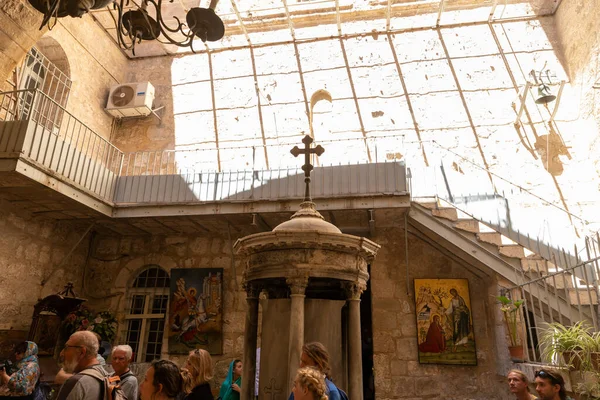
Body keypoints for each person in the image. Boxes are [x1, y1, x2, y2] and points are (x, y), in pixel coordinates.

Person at [55, 331, 109, 400]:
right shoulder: (106, 376)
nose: (61, 354)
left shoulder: (77, 382)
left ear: (82, 352)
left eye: (66, 348)